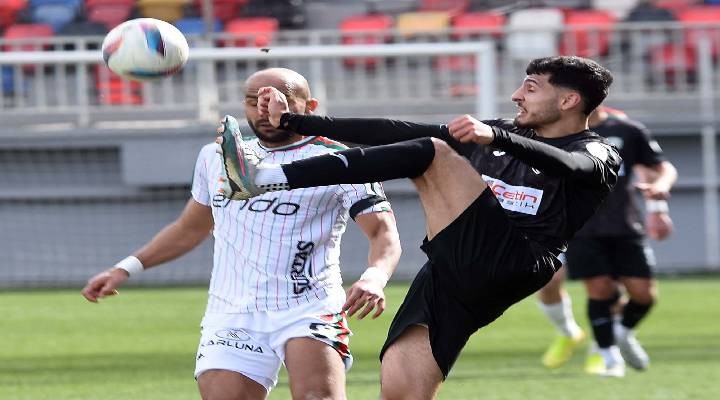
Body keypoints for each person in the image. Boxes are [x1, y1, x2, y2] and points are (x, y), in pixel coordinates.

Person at [215, 56, 621, 399]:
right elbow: (400, 132)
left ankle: (267, 177)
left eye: (531, 88)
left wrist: (497, 136)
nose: (517, 95)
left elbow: (574, 167)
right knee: (401, 391)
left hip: (513, 259)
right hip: (451, 271)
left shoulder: (595, 149)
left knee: (433, 153)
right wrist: (296, 121)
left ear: (568, 100)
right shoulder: (504, 133)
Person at [81, 67, 402, 400]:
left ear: (310, 107)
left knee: (317, 396)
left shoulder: (342, 160)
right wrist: (125, 268)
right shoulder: (216, 158)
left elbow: (383, 231)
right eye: (253, 101)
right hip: (232, 311)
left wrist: (374, 277)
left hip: (309, 306)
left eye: (277, 100)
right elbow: (190, 228)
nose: (263, 111)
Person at [537, 105, 677, 377]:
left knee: (643, 294)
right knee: (594, 288)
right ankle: (606, 355)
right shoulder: (553, 131)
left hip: (624, 224)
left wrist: (659, 203)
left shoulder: (626, 130)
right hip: (578, 227)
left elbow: (658, 168)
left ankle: (621, 334)